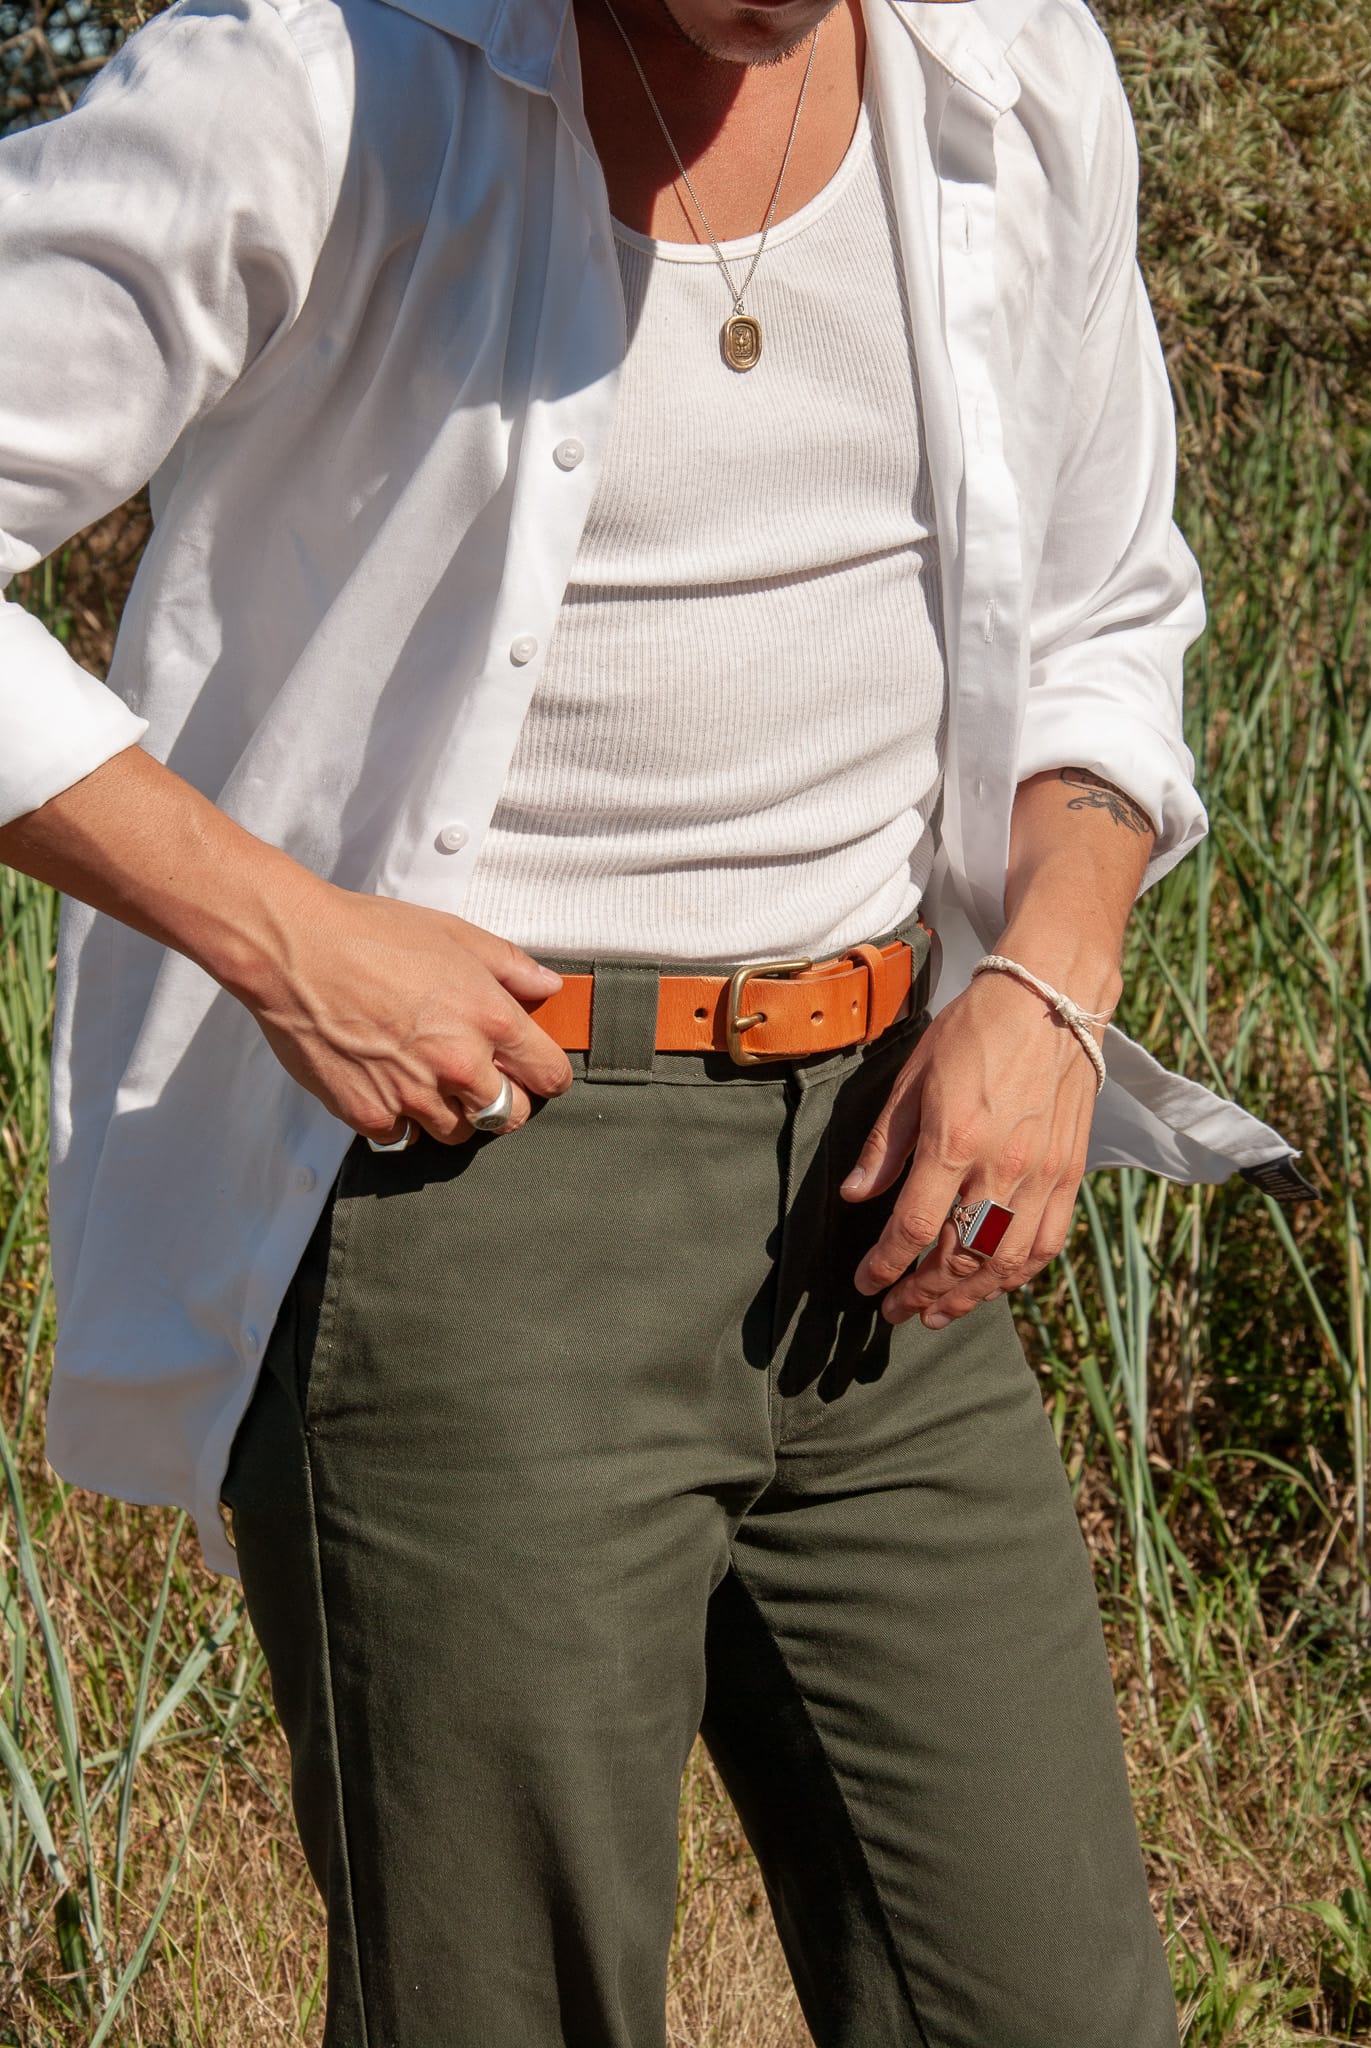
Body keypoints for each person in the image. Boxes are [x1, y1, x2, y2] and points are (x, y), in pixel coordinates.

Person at [0, 0, 1314, 2036]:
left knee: (1047, 2002)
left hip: (892, 1195)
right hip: (472, 1200)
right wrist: (283, 935)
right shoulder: (320, 78)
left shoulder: (1007, 71)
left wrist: (1052, 983)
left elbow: (1099, 606)